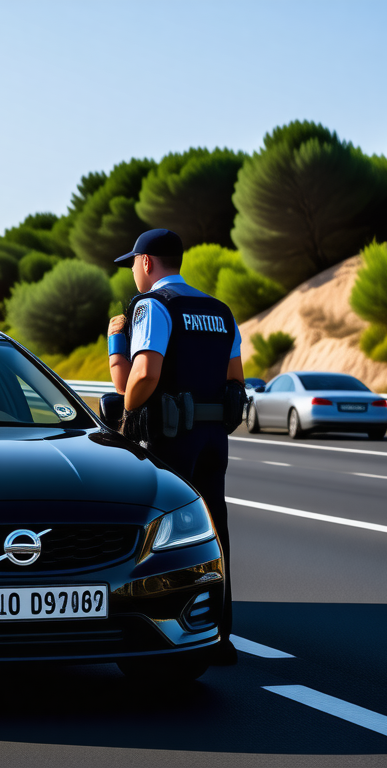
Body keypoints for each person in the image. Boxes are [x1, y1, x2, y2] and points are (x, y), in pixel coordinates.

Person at [105, 228, 245, 666]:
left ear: (147, 263)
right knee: (212, 527)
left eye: (132, 264)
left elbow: (142, 376)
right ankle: (219, 633)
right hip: (212, 438)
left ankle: (161, 627)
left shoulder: (152, 306)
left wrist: (126, 417)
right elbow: (235, 379)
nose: (132, 272)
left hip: (167, 437)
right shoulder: (220, 312)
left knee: (161, 532)